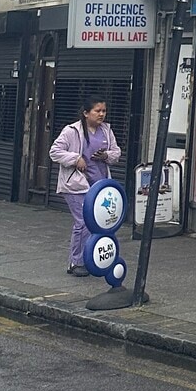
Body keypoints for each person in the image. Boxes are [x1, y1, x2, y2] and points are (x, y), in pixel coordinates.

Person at [51, 98, 123, 275]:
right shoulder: (71, 131)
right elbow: (55, 152)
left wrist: (105, 155)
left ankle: (94, 260)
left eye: (104, 111)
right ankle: (75, 262)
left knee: (99, 224)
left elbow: (116, 153)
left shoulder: (106, 130)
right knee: (83, 222)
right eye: (97, 111)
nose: (101, 114)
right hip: (76, 185)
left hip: (99, 186)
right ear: (85, 113)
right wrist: (76, 159)